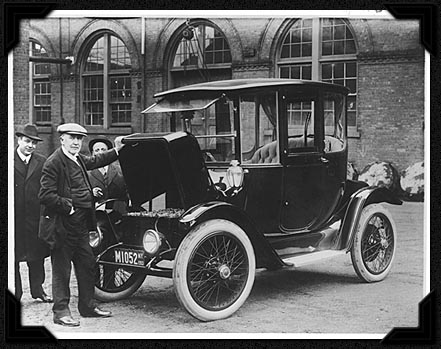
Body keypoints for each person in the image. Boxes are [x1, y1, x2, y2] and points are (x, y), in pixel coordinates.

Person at [38, 123, 125, 327]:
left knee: (87, 266)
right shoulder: (54, 163)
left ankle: (87, 307)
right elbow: (45, 195)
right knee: (62, 270)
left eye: (79, 138)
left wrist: (119, 150)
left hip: (81, 227)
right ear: (62, 140)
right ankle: (60, 312)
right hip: (62, 226)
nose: (76, 142)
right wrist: (68, 207)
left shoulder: (78, 159)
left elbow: (97, 159)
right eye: (72, 138)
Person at [14, 124, 52, 303]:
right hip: (14, 219)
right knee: (13, 257)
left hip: (35, 218)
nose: (30, 145)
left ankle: (38, 290)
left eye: (34, 143)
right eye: (27, 141)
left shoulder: (41, 161)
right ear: (19, 140)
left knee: (36, 256)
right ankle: (16, 293)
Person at [87, 137, 128, 212]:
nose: (100, 152)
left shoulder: (120, 171)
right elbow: (79, 193)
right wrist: (91, 192)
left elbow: (127, 192)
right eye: (97, 150)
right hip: (96, 213)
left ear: (109, 152)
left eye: (103, 149)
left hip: (118, 211)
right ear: (93, 153)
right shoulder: (87, 173)